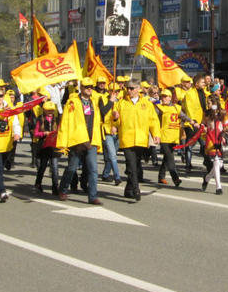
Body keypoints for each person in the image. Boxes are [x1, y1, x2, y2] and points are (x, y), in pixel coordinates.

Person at [56, 77, 105, 205]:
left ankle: (93, 196)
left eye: (91, 87)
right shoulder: (72, 102)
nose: (89, 89)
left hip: (91, 141)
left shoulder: (94, 102)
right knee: (72, 168)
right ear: (81, 88)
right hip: (77, 141)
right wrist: (63, 142)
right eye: (87, 87)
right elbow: (65, 122)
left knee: (93, 169)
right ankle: (63, 189)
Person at [113, 80, 161, 202]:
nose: (129, 90)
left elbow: (153, 121)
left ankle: (128, 189)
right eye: (127, 88)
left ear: (138, 89)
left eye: (131, 88)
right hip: (127, 139)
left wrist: (156, 134)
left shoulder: (146, 104)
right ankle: (136, 189)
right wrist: (115, 119)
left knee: (134, 165)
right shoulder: (121, 103)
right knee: (131, 165)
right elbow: (115, 122)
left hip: (141, 139)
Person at [154, 88, 192, 187]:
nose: (164, 98)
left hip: (174, 137)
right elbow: (153, 120)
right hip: (164, 137)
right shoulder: (158, 108)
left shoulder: (176, 108)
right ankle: (175, 178)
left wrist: (192, 122)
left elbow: (184, 116)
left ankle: (161, 176)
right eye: (162, 96)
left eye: (166, 96)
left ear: (170, 97)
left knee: (167, 157)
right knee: (170, 158)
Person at [33, 101, 61, 195]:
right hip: (44, 146)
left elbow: (61, 131)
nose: (50, 112)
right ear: (44, 110)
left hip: (54, 146)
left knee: (55, 167)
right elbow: (36, 133)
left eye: (52, 111)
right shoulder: (40, 119)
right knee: (43, 166)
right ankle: (38, 183)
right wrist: (44, 133)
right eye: (48, 111)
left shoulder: (56, 120)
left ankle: (55, 186)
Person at [201, 108, 226, 194]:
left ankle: (207, 178)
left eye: (206, 117)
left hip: (218, 145)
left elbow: (221, 132)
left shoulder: (218, 123)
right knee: (216, 163)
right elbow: (203, 134)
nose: (205, 119)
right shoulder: (205, 125)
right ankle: (218, 187)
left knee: (219, 165)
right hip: (211, 145)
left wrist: (223, 136)